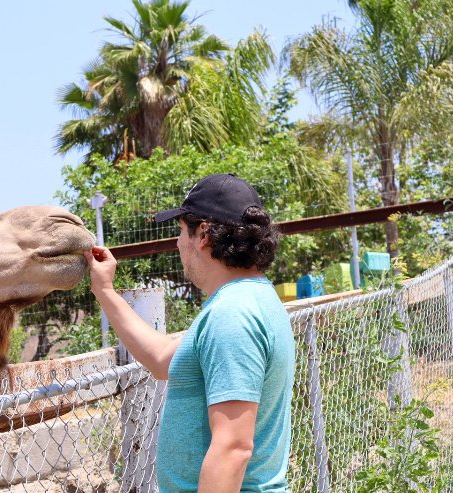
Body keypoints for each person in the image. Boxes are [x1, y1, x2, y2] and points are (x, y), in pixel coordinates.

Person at [84, 174, 295, 492]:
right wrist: (106, 291)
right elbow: (161, 359)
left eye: (182, 231)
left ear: (204, 234)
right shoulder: (251, 298)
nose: (178, 243)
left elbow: (233, 448)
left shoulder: (232, 315)